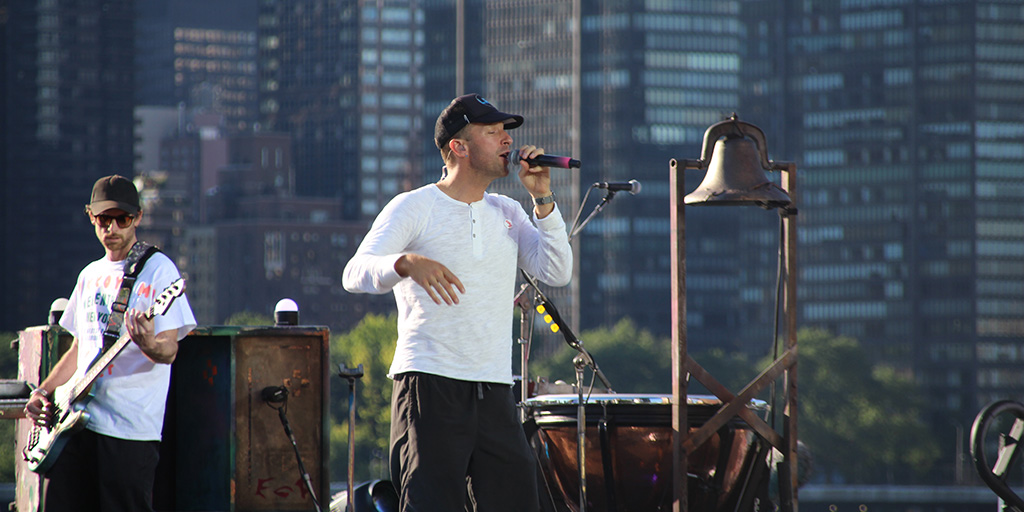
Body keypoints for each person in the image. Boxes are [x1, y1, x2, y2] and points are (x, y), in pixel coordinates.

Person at [343, 93, 573, 511]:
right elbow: (354, 273)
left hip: (494, 387)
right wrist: (406, 263)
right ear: (459, 147)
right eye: (494, 132)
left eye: (506, 132)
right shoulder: (415, 206)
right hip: (429, 383)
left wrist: (542, 198)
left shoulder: (509, 210)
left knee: (518, 500)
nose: (507, 141)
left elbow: (556, 271)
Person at [24, 175, 196, 512]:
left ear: (138, 218)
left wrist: (148, 343)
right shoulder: (89, 274)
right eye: (104, 219)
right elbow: (79, 350)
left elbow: (169, 349)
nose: (112, 227)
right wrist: (43, 392)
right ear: (91, 217)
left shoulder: (159, 271)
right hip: (72, 424)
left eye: (123, 219)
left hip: (129, 431)